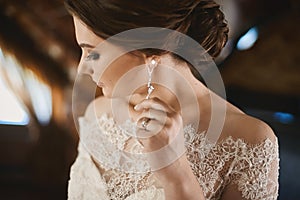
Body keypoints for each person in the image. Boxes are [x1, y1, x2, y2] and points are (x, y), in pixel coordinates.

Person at [65, 0, 279, 199]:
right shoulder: (98, 115)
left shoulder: (249, 142)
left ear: (147, 53)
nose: (82, 68)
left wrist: (176, 175)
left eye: (92, 53)